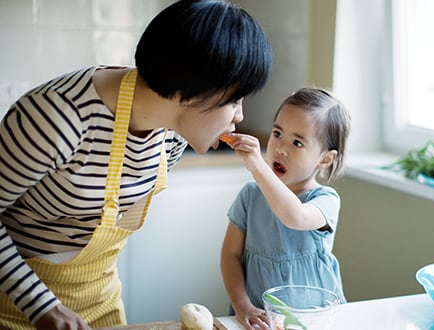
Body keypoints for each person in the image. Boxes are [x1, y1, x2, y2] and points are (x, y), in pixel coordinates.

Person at [0, 0, 272, 328]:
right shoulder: (57, 119)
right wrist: (41, 306)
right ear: (190, 92)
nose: (240, 116)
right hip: (16, 306)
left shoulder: (173, 136)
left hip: (101, 302)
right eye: (234, 100)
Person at [220, 88, 351, 330]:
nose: (280, 148)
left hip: (317, 319)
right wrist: (242, 305)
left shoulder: (326, 200)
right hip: (261, 321)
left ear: (324, 159)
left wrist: (258, 165)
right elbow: (230, 256)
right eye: (277, 133)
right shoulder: (251, 196)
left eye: (297, 142)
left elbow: (295, 217)